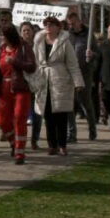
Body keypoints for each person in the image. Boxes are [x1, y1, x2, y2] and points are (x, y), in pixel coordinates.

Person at [31, 16, 85, 155]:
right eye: (46, 24)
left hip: (60, 81)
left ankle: (62, 145)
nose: (48, 27)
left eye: (51, 24)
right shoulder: (38, 41)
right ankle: (52, 145)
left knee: (60, 115)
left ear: (58, 27)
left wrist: (78, 82)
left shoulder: (64, 42)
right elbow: (35, 62)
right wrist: (32, 81)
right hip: (43, 81)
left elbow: (73, 64)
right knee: (48, 115)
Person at [0, 24, 37, 164]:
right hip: (4, 89)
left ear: (9, 36)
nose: (0, 38)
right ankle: (13, 143)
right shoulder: (0, 50)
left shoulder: (23, 47)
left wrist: (15, 62)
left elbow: (32, 66)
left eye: (2, 35)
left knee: (19, 118)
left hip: (21, 88)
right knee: (2, 121)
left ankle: (20, 154)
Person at [66, 12, 98, 140]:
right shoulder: (68, 36)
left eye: (73, 23)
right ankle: (72, 133)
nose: (72, 25)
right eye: (69, 24)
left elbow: (98, 53)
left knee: (86, 103)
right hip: (70, 74)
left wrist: (92, 55)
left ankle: (92, 130)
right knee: (70, 104)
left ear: (79, 21)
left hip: (85, 73)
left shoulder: (89, 35)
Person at [19, 21, 43, 150]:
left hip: (36, 83)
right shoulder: (18, 47)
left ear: (33, 32)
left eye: (28, 30)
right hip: (22, 84)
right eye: (24, 30)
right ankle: (19, 141)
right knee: (21, 114)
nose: (26, 33)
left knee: (37, 114)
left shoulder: (38, 46)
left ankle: (35, 140)